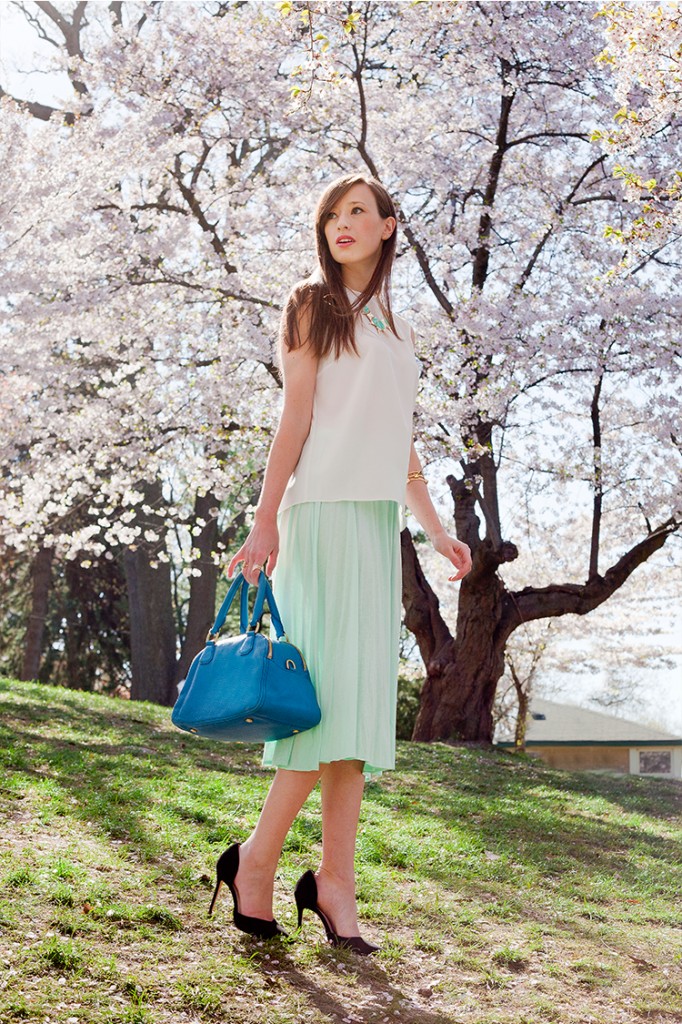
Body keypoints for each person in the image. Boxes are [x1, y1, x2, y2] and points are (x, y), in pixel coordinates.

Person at [216, 172, 472, 955]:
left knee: (356, 721)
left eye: (359, 211)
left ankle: (334, 883)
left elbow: (400, 444)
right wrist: (264, 523)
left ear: (391, 226)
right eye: (332, 214)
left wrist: (435, 530)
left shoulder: (399, 325)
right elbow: (294, 418)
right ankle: (256, 865)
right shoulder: (310, 304)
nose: (342, 223)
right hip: (319, 516)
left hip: (372, 525)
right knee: (320, 709)